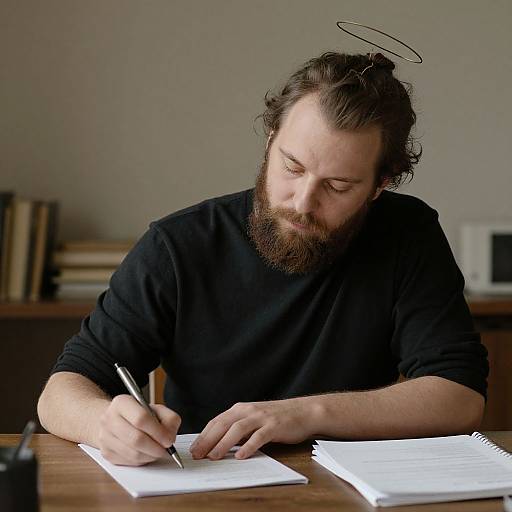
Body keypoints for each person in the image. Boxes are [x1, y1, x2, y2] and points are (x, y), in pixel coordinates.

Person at [38, 52, 488, 467]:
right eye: (292, 167)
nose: (302, 202)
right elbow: (61, 392)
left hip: (354, 486)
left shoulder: (407, 234)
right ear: (270, 140)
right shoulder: (178, 245)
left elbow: (460, 395)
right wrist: (105, 424)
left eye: (337, 186)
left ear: (379, 185)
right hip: (206, 483)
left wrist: (307, 413)